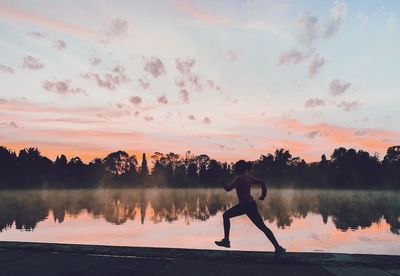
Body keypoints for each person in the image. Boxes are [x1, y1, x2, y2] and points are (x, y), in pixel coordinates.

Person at [215, 160, 286, 258]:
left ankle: (226, 241)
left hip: (245, 205)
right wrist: (263, 195)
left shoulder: (239, 178)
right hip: (250, 205)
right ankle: (278, 248)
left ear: (240, 169)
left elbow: (228, 189)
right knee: (262, 227)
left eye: (236, 167)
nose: (234, 169)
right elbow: (263, 183)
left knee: (226, 215)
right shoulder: (248, 178)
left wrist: (222, 182)